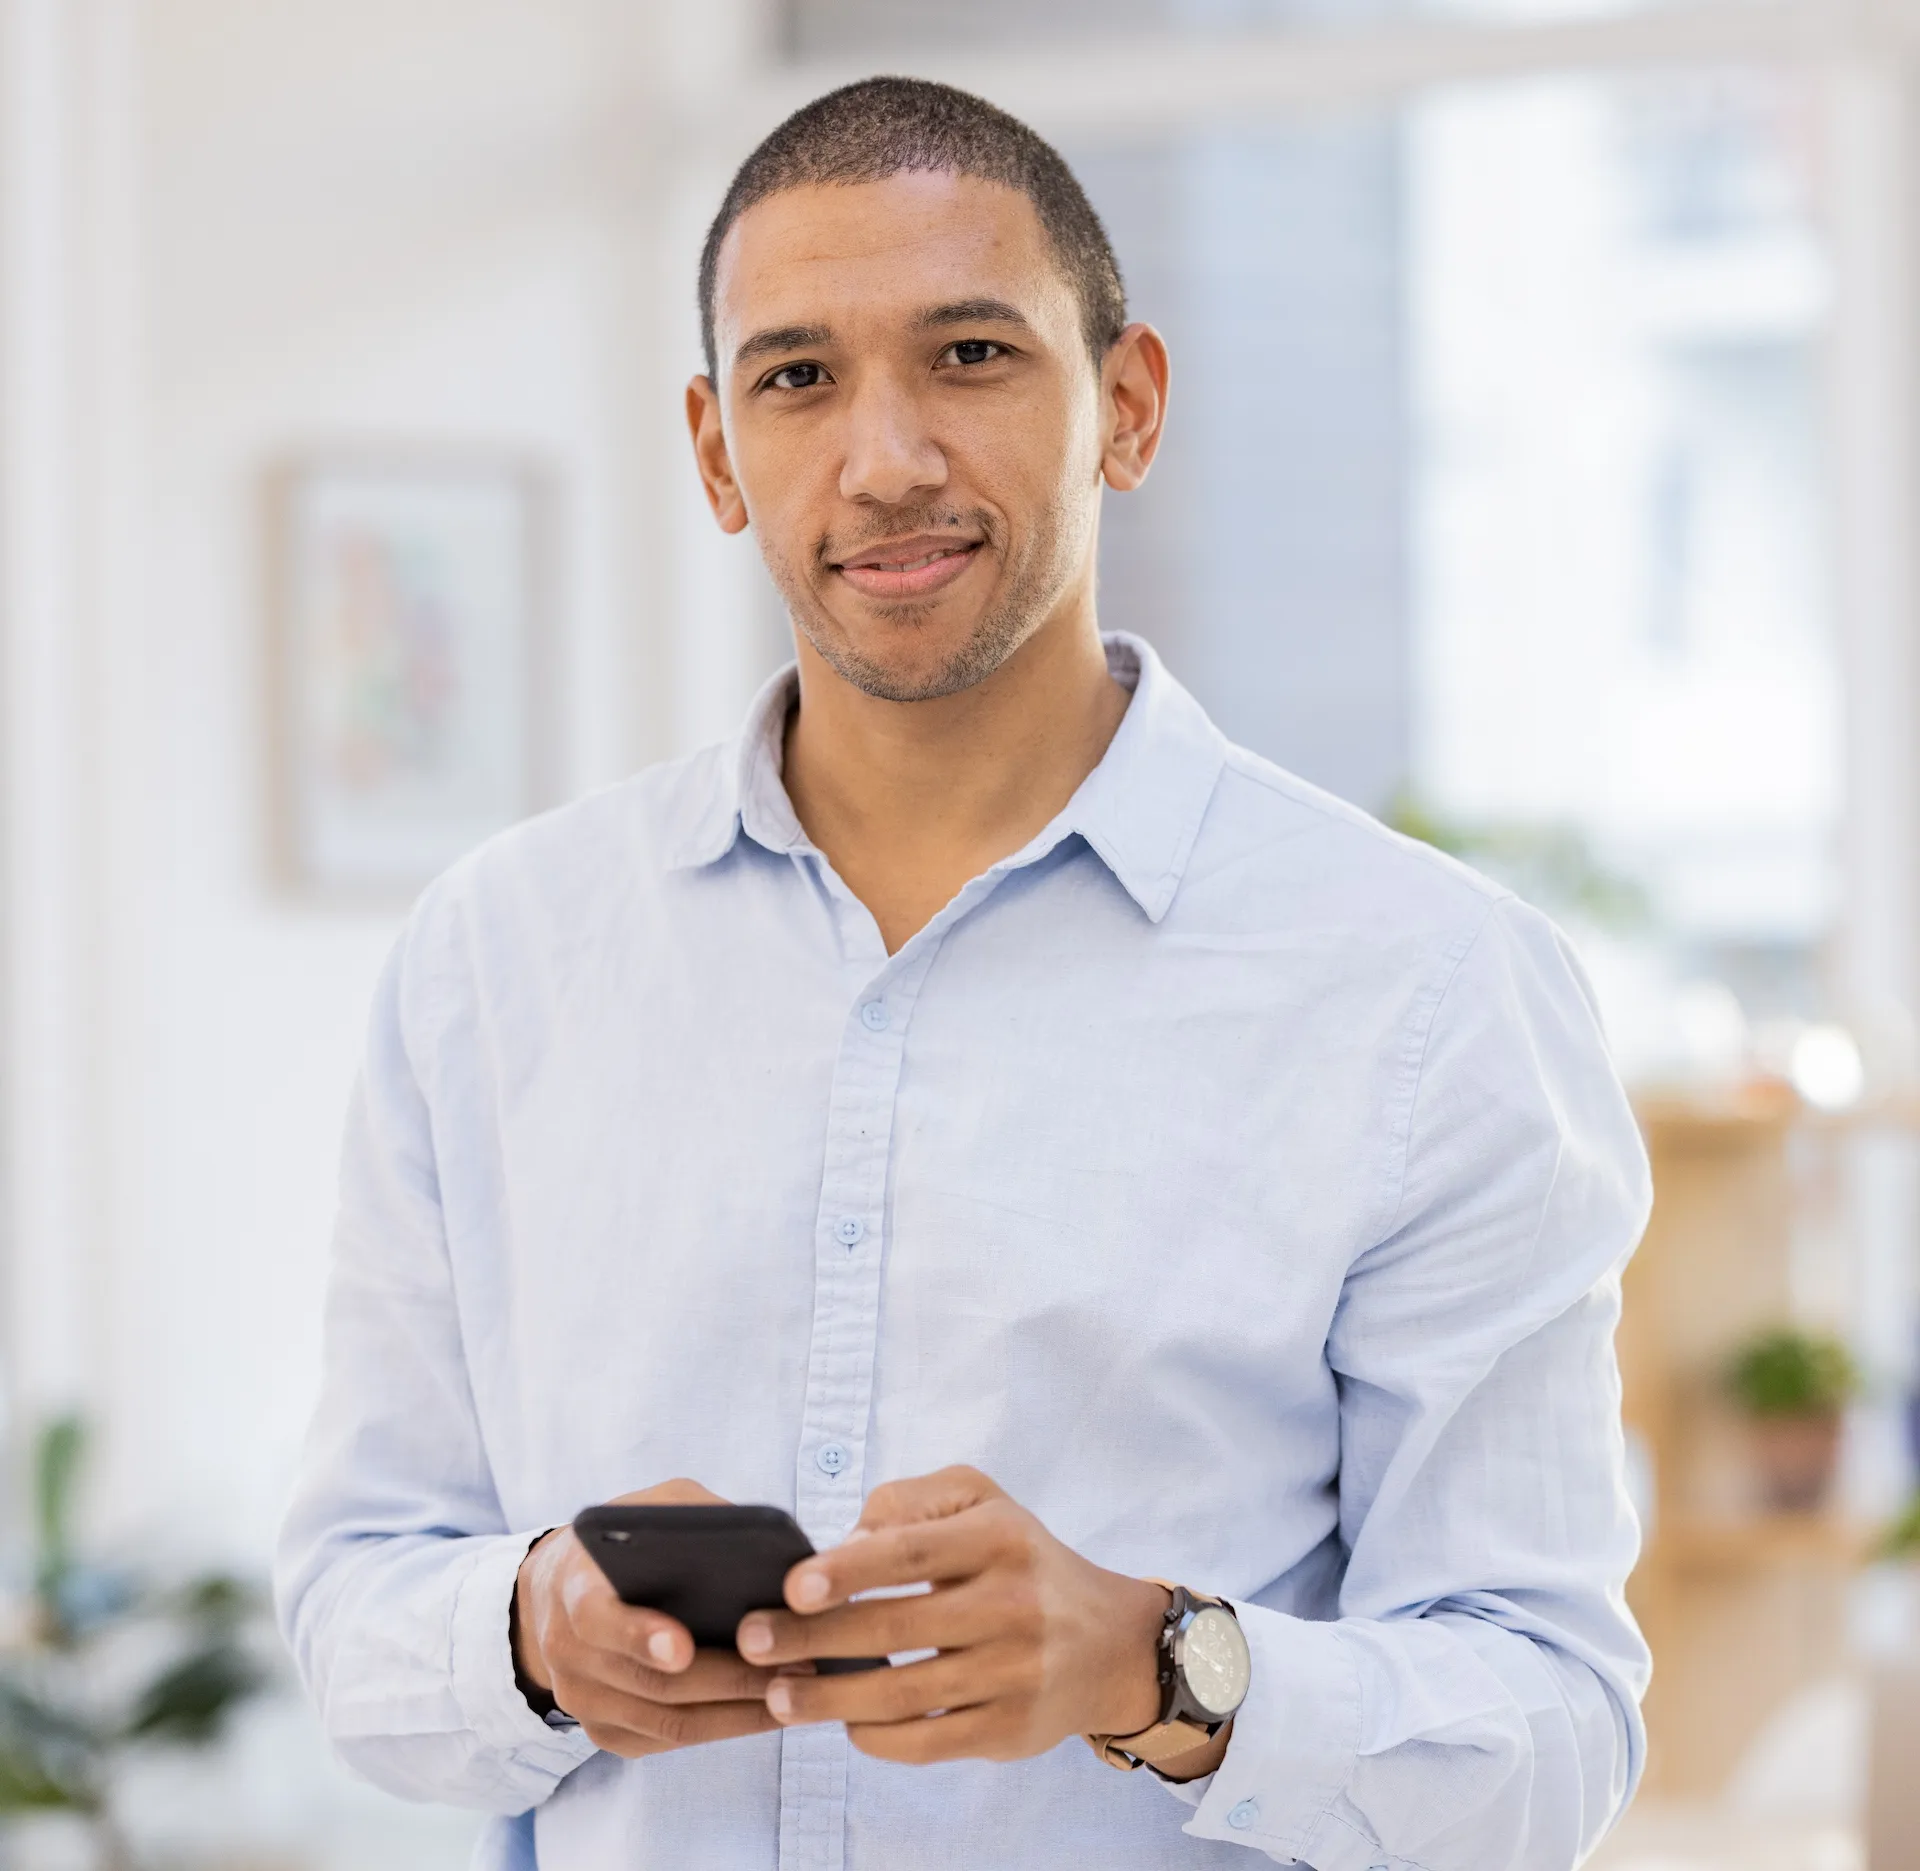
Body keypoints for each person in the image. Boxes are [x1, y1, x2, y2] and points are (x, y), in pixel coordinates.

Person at [276, 76, 1651, 1871]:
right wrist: (533, 1630)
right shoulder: (497, 955)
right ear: (714, 452)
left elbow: (1553, 1731)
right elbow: (355, 1595)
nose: (887, 459)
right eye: (798, 379)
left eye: (973, 356)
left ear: (1127, 406)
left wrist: (1158, 1668)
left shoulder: (1429, 989)